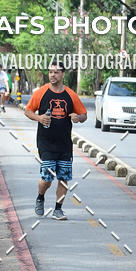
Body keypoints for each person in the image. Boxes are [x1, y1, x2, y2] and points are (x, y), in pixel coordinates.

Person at [24, 63, 87, 221]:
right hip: (46, 142)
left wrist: (77, 118)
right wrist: (39, 118)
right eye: (51, 72)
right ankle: (40, 197)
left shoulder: (70, 95)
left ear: (63, 74)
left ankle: (58, 209)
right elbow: (28, 110)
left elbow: (84, 114)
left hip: (65, 143)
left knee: (63, 177)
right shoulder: (41, 92)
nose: (52, 75)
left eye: (56, 72)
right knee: (47, 178)